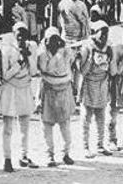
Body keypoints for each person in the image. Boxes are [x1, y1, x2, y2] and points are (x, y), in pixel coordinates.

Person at [0, 22, 38, 171]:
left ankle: (24, 155)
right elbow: (5, 75)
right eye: (18, 34)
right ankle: (7, 159)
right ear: (14, 34)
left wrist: (28, 56)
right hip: (10, 89)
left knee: (25, 126)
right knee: (8, 128)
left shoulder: (31, 47)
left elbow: (33, 72)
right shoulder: (6, 49)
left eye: (24, 34)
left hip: (24, 88)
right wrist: (19, 61)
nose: (21, 37)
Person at [36, 27, 75, 167]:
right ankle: (50, 155)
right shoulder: (42, 54)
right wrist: (56, 55)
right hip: (48, 90)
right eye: (50, 39)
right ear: (45, 40)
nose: (53, 42)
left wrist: (62, 49)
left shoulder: (65, 51)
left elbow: (69, 62)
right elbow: (46, 69)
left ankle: (66, 153)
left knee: (65, 124)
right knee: (47, 125)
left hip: (63, 89)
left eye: (55, 39)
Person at [78, 20, 112, 157]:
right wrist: (91, 59)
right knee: (86, 117)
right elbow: (82, 70)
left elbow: (109, 68)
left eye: (106, 34)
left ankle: (100, 144)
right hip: (89, 83)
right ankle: (85, 146)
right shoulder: (87, 47)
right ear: (94, 33)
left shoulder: (108, 48)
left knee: (101, 116)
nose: (104, 37)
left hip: (102, 84)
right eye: (101, 34)